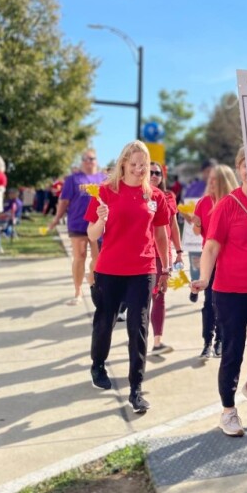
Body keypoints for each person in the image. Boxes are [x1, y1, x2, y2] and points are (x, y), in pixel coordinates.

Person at [190, 147, 247, 437]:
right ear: (240, 168)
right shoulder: (227, 206)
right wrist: (204, 278)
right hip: (229, 291)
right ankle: (228, 411)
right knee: (233, 351)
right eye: (246, 165)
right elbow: (211, 246)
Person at [85, 141, 172, 414]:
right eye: (133, 164)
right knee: (105, 322)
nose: (138, 170)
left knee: (138, 326)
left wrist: (165, 268)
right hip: (110, 269)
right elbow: (92, 234)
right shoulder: (105, 192)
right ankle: (98, 363)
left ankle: (136, 388)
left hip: (143, 269)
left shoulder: (155, 196)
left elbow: (161, 234)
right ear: (123, 163)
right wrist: (101, 220)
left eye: (143, 166)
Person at [188, 163, 239, 358]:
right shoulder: (203, 203)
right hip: (210, 261)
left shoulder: (233, 202)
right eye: (208, 180)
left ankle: (220, 340)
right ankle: (207, 342)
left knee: (224, 304)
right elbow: (197, 232)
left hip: (230, 261)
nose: (210, 184)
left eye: (214, 180)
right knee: (209, 302)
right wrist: (197, 225)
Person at [49, 150, 106, 306]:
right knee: (79, 256)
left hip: (97, 224)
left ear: (96, 160)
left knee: (98, 259)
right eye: (85, 159)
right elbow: (64, 202)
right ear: (82, 161)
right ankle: (78, 291)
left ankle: (93, 282)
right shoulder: (73, 179)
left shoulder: (104, 179)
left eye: (91, 158)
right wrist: (56, 219)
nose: (88, 161)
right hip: (77, 223)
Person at [148, 161, 185, 355]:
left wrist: (179, 252)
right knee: (142, 300)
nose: (154, 175)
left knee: (159, 296)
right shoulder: (138, 195)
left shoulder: (169, 196)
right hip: (141, 255)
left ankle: (157, 341)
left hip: (163, 256)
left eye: (158, 173)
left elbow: (173, 226)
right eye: (150, 172)